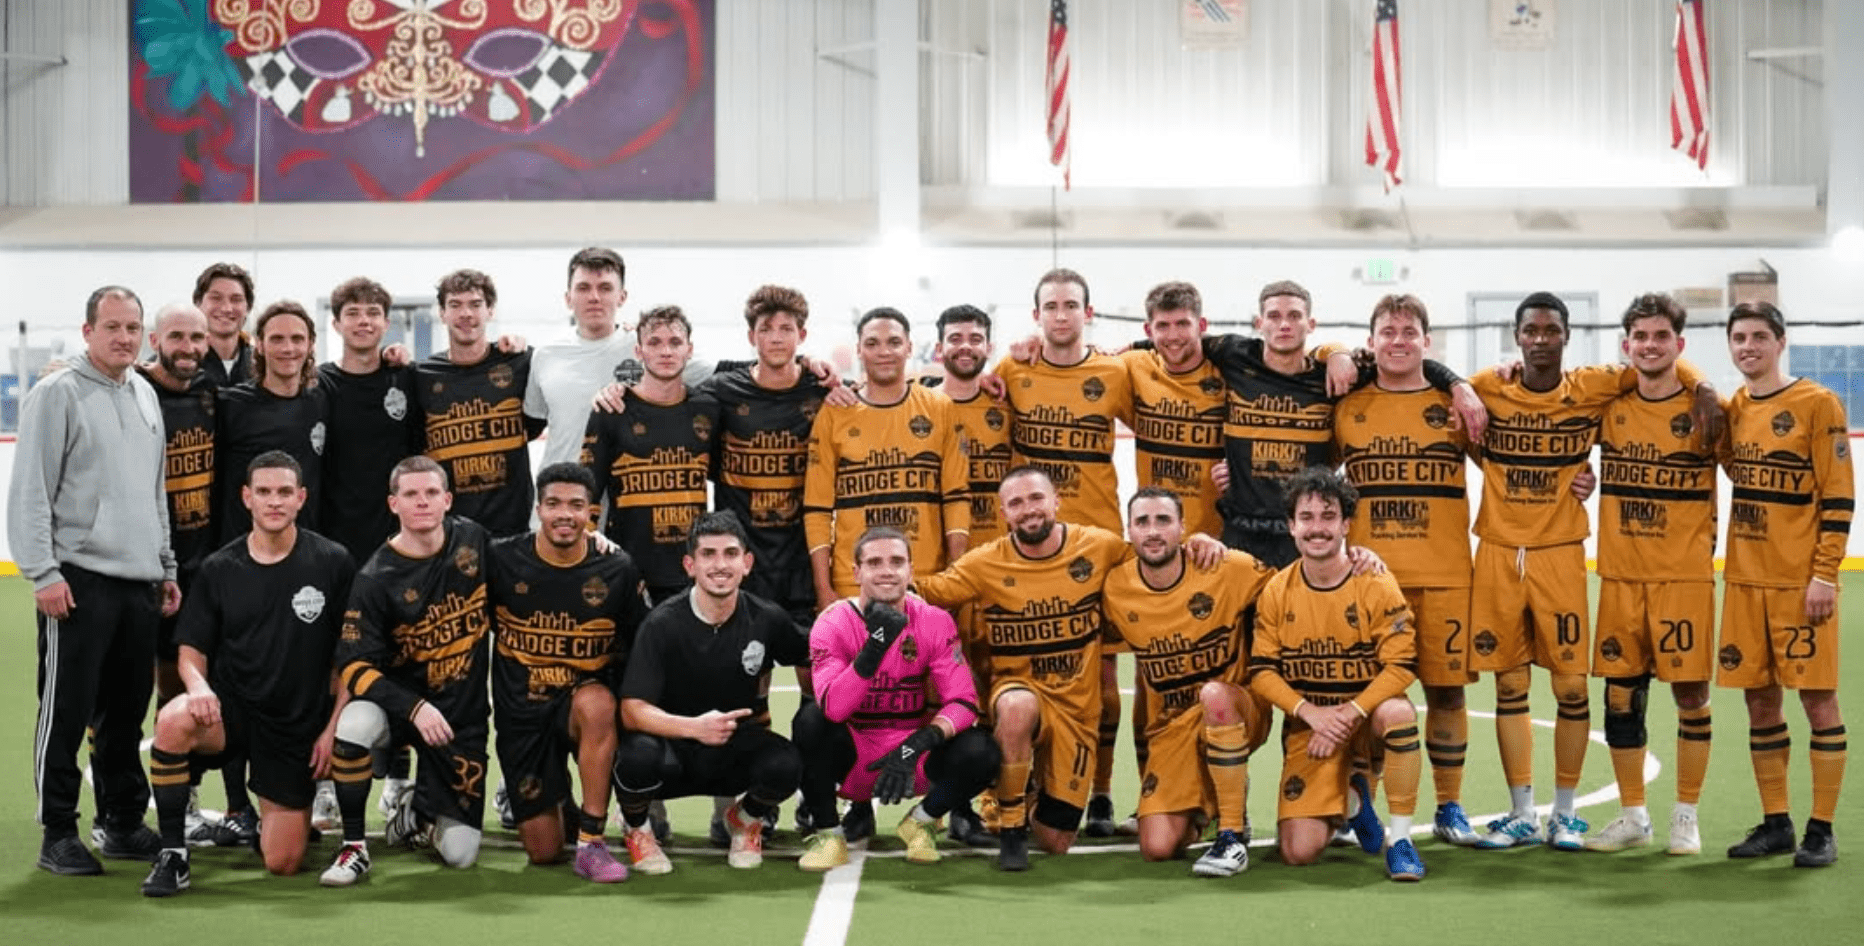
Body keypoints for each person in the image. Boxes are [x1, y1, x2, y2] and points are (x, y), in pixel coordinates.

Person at [1467, 291, 1719, 851]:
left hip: (1562, 551)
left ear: (1566, 335)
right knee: (1509, 683)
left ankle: (1564, 813)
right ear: (1516, 337)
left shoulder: (1596, 387)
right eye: (1529, 330)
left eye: (1550, 330)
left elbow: (1660, 360)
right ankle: (1521, 812)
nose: (1539, 339)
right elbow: (1458, 406)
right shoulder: (1487, 386)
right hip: (1498, 551)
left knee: (1574, 685)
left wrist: (1701, 383)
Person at [914, 467, 1220, 871]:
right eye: (1017, 503)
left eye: (1036, 498)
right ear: (1004, 513)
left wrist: (1197, 539)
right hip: (1019, 693)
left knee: (1056, 841)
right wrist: (868, 591)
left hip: (1076, 714)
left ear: (1056, 501)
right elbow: (930, 591)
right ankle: (1010, 826)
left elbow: (1152, 553)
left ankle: (1021, 787)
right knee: (1018, 707)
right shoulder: (985, 562)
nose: (1029, 510)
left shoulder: (1098, 547)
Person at [9, 285, 180, 874]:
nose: (124, 337)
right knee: (66, 710)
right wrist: (43, 571)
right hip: (78, 581)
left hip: (139, 581)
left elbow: (153, 492)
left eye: (133, 327)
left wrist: (166, 565)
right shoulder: (56, 394)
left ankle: (123, 822)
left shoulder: (145, 394)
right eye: (112, 327)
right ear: (88, 332)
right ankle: (58, 831)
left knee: (124, 714)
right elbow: (30, 489)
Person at [139, 451, 355, 896]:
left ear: (301, 498)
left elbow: (350, 658)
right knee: (174, 719)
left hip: (295, 724)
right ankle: (174, 855)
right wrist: (198, 686)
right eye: (263, 492)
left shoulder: (332, 562)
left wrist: (333, 728)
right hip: (232, 713)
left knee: (284, 862)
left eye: (283, 492)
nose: (273, 501)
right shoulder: (219, 568)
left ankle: (277, 812)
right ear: (246, 498)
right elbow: (190, 651)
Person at [990, 269, 1137, 837]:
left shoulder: (1114, 371)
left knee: (1102, 680)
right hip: (1027, 549)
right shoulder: (1013, 368)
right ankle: (1022, 788)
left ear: (1088, 312)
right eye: (1050, 305)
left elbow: (1165, 401)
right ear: (1035, 317)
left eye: (1070, 305)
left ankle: (1100, 793)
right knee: (1028, 675)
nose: (1060, 314)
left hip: (1095, 548)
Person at [1333, 294, 1483, 846]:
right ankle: (1362, 809)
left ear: (1428, 342)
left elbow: (1513, 467)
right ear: (1371, 343)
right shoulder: (1347, 406)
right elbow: (1311, 477)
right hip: (1372, 584)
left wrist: (1578, 483)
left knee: (1447, 695)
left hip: (1447, 577)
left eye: (1408, 332)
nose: (1398, 341)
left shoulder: (1456, 406)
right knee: (1370, 696)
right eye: (1387, 332)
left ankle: (1450, 807)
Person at [1582, 293, 1720, 855]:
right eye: (1640, 337)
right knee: (1621, 698)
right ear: (1626, 345)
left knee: (1691, 695)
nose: (1650, 346)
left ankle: (1685, 814)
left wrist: (1703, 382)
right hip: (1620, 575)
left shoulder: (1708, 411)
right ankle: (1633, 814)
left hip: (1683, 578)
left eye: (1662, 337)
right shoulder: (1608, 407)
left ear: (1679, 345)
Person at [1717, 301, 1850, 867]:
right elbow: (1731, 468)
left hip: (1801, 585)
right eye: (1738, 337)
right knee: (1759, 701)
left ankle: (1821, 829)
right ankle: (1777, 823)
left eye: (1758, 336)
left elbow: (1840, 495)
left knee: (1818, 701)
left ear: (1780, 341)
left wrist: (1824, 573)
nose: (1748, 346)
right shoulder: (1736, 407)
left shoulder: (1818, 404)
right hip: (1745, 581)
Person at [319, 456, 494, 886]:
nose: (422, 502)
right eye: (411, 494)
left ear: (447, 499)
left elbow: (531, 560)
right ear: (393, 503)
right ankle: (355, 847)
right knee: (355, 723)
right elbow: (354, 665)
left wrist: (599, 543)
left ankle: (415, 811)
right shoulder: (375, 577)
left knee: (460, 854)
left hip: (459, 716)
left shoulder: (473, 540)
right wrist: (414, 708)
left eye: (432, 493)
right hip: (400, 710)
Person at [1248, 467, 1425, 881]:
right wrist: (1313, 714)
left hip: (1363, 720)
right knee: (1297, 852)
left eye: (1328, 517)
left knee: (1399, 714)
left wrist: (1349, 714)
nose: (1317, 528)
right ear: (1291, 527)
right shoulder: (1277, 589)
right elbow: (1262, 672)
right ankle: (1352, 800)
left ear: (1346, 524)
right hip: (1312, 730)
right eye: (1306, 518)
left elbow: (1401, 665)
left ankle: (1400, 841)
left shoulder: (1376, 583)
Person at [612, 512, 808, 873]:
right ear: (690, 565)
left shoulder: (766, 618)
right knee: (634, 758)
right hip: (673, 753)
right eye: (709, 554)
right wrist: (694, 727)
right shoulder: (661, 624)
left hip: (732, 752)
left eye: (731, 554)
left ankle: (745, 819)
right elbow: (632, 710)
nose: (720, 565)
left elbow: (813, 652)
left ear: (747, 563)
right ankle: (637, 827)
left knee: (787, 763)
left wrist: (861, 624)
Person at [792, 527, 999, 870]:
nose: (887, 570)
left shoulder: (934, 621)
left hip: (913, 753)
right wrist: (875, 645)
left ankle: (922, 821)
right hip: (854, 754)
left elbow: (963, 701)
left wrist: (914, 746)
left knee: (982, 749)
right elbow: (834, 707)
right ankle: (830, 834)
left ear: (911, 570)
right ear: (856, 572)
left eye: (897, 561)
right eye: (874, 562)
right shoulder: (832, 623)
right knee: (810, 721)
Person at [1100, 489, 1276, 876]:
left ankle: (1231, 834)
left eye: (1163, 520)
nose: (1153, 531)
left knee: (1213, 695)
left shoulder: (1228, 568)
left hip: (1237, 708)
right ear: (1129, 532)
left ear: (1183, 527)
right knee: (1157, 846)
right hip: (1172, 727)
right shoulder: (1115, 589)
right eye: (1142, 522)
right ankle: (1216, 794)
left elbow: (1290, 588)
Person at [486, 463, 649, 882]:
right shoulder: (500, 560)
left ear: (591, 512)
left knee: (596, 703)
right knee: (543, 851)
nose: (564, 514)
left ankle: (592, 842)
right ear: (537, 508)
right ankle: (563, 805)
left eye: (576, 506)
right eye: (554, 504)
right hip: (522, 715)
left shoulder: (617, 568)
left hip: (579, 707)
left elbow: (639, 648)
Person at [136, 302, 233, 846]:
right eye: (177, 336)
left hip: (200, 568)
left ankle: (186, 803)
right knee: (131, 689)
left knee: (186, 685)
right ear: (156, 338)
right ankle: (117, 812)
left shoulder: (212, 394)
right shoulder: (132, 390)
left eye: (197, 338)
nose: (189, 347)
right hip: (144, 567)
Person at [805, 307, 969, 611]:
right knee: (861, 661)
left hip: (924, 578)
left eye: (893, 342)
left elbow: (956, 497)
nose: (884, 352)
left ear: (909, 347)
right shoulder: (834, 414)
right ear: (858, 350)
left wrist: (953, 574)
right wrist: (823, 587)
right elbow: (817, 509)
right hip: (852, 583)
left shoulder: (940, 409)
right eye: (872, 343)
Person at [526, 247, 713, 472]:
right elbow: (531, 423)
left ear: (622, 297)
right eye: (583, 288)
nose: (594, 297)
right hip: (561, 498)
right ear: (568, 298)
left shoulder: (649, 348)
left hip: (624, 500)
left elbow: (726, 376)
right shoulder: (545, 355)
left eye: (605, 288)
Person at [581, 305, 720, 604]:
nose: (665, 351)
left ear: (689, 350)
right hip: (627, 567)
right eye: (654, 342)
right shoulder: (612, 409)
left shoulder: (708, 409)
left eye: (675, 342)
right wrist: (588, 540)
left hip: (690, 569)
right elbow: (588, 487)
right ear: (639, 351)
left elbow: (755, 371)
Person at [416, 269, 543, 537]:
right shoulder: (421, 375)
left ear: (490, 311)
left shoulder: (520, 361)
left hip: (515, 529)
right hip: (451, 533)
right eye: (455, 305)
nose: (466, 314)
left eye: (475, 304)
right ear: (442, 313)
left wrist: (622, 336)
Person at [316, 276, 423, 564]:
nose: (364, 321)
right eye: (353, 313)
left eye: (373, 313)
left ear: (387, 324)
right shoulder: (319, 383)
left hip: (398, 536)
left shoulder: (406, 377)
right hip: (334, 535)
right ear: (336, 324)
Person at [215, 300, 328, 540]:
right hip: (244, 552)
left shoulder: (321, 401)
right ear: (260, 346)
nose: (288, 348)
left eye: (297, 339)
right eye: (277, 339)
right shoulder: (230, 405)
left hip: (304, 549)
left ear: (310, 345)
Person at [192, 262, 254, 388]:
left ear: (248, 307)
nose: (226, 308)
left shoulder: (263, 366)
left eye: (236, 299)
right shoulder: (176, 364)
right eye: (216, 298)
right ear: (198, 303)